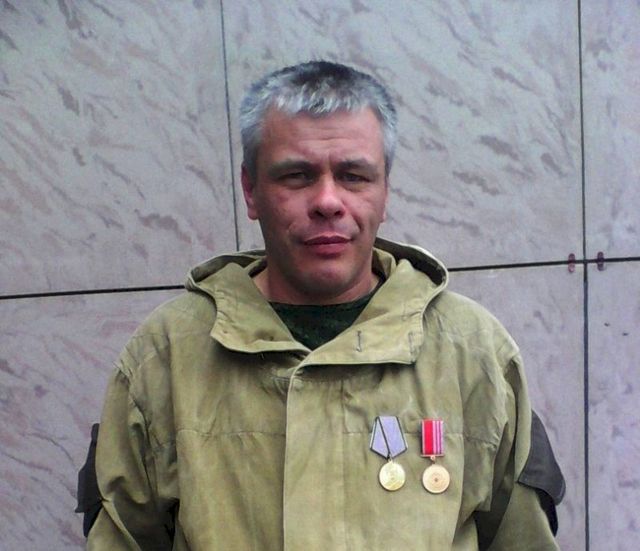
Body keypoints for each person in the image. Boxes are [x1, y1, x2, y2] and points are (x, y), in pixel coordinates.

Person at [77, 61, 565, 550]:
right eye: (297, 176)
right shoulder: (167, 355)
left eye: (354, 176)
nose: (328, 201)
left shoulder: (473, 352)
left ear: (385, 191)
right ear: (251, 191)